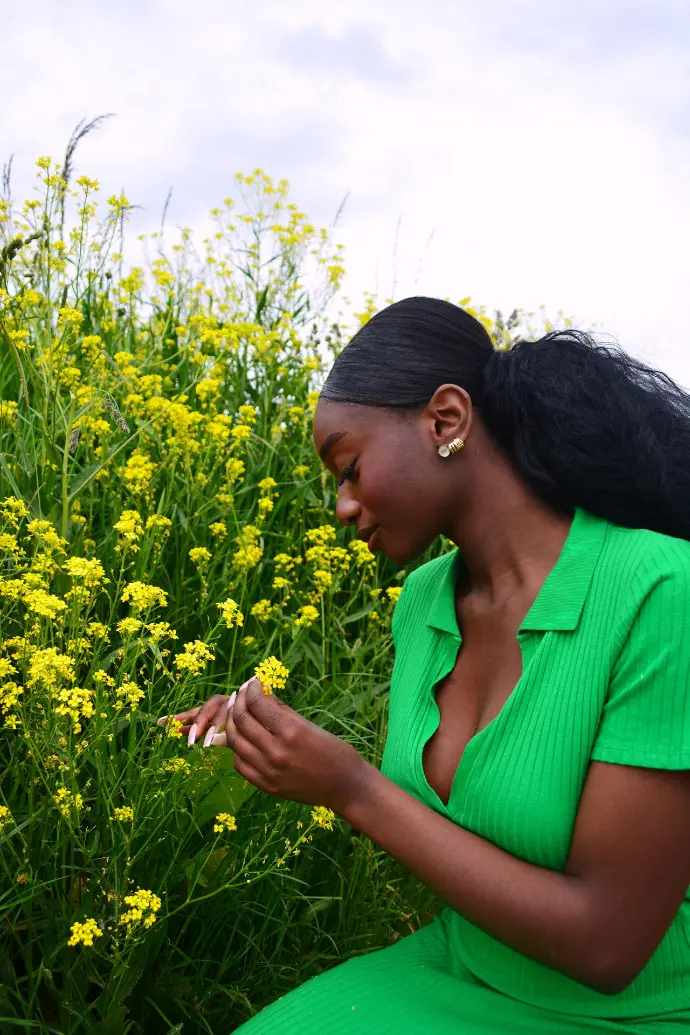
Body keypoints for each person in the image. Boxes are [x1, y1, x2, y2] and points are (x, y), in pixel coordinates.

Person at [168, 297, 690, 1033]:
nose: (343, 507)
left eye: (349, 468)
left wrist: (348, 787)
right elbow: (467, 804)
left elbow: (608, 945)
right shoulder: (422, 602)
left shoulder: (662, 590)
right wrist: (267, 735)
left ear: (446, 420)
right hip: (464, 964)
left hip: (631, 1011)